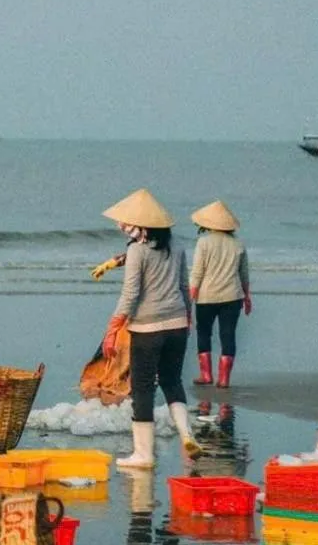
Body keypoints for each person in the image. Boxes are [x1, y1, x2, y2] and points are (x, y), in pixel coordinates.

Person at [101, 189, 201, 468]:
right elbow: (183, 286)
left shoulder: (137, 250)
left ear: (140, 225)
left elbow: (131, 294)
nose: (123, 227)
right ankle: (186, 433)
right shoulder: (178, 246)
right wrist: (188, 318)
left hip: (148, 329)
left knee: (143, 388)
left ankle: (143, 455)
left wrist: (112, 327)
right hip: (177, 324)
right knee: (172, 381)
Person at [189, 201, 250, 389]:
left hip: (207, 297)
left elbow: (197, 273)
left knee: (204, 333)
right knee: (228, 335)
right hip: (233, 296)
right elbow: (244, 274)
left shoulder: (204, 242)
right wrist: (247, 297)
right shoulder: (238, 244)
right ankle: (224, 379)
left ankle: (206, 375)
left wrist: (189, 300)